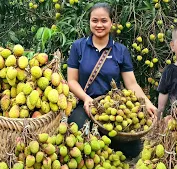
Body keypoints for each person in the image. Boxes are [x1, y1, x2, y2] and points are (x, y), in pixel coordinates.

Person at [66, 2, 157, 158]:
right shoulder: (78, 46)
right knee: (77, 135)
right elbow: (72, 81)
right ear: (89, 22)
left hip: (112, 107)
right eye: (95, 20)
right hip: (85, 103)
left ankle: (102, 141)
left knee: (133, 150)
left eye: (104, 20)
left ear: (111, 23)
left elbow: (131, 84)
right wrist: (87, 99)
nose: (99, 25)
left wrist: (147, 102)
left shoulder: (120, 50)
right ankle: (97, 140)